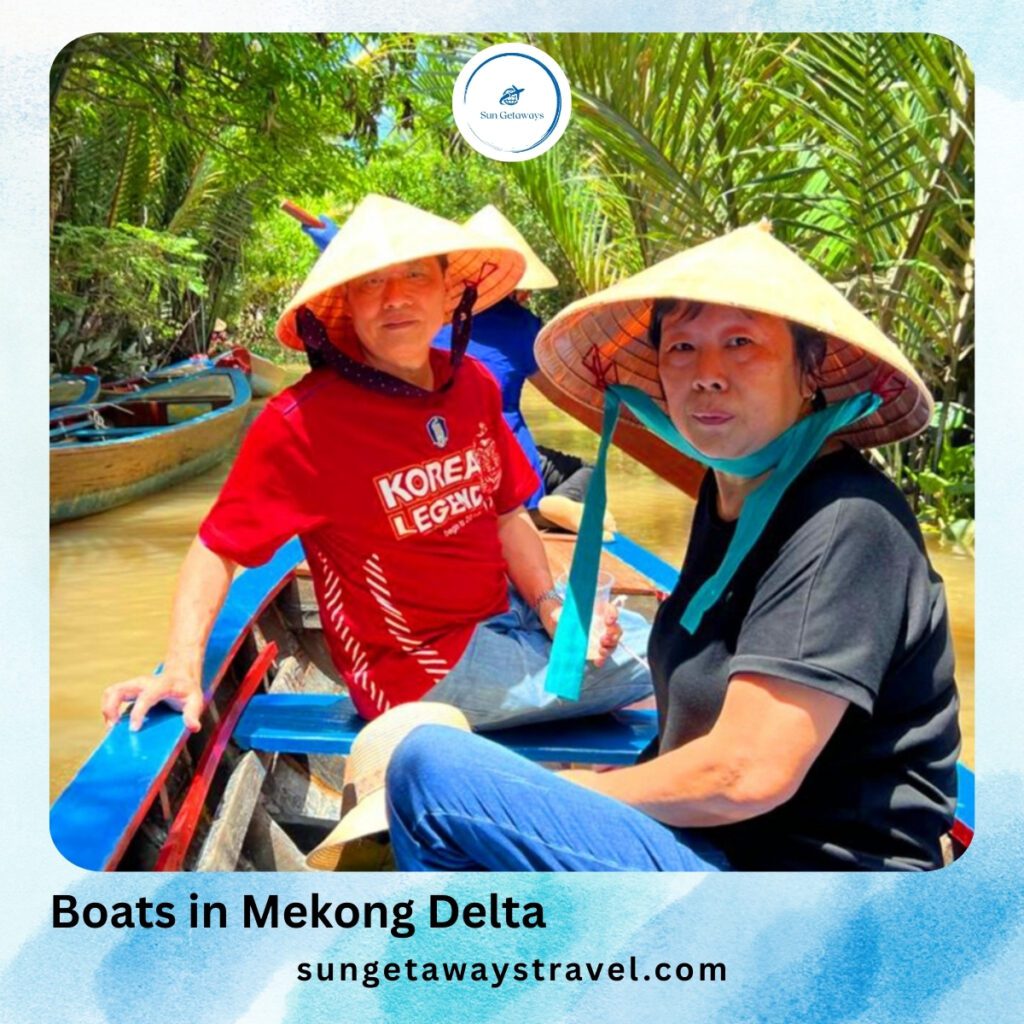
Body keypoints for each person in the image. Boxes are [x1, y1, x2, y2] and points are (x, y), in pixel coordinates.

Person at [384, 221, 961, 872]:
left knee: (430, 769)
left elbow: (746, 772)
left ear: (810, 370)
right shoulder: (730, 494)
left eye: (740, 342)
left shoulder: (845, 518)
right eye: (682, 347)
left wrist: (568, 793)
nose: (706, 374)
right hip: (720, 852)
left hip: (811, 906)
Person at [101, 195, 651, 734]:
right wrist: (181, 667)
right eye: (371, 283)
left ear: (446, 295)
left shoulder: (474, 385)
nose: (395, 299)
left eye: (416, 277)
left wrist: (552, 605)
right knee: (668, 660)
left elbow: (508, 516)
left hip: (506, 614)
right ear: (348, 305)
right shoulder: (303, 422)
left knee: (644, 633)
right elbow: (219, 547)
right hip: (417, 670)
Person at [303, 204, 609, 534]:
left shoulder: (418, 319)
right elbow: (566, 396)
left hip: (431, 467)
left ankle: (537, 507)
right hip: (508, 466)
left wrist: (337, 243)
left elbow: (372, 287)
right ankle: (540, 510)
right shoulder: (522, 327)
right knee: (589, 470)